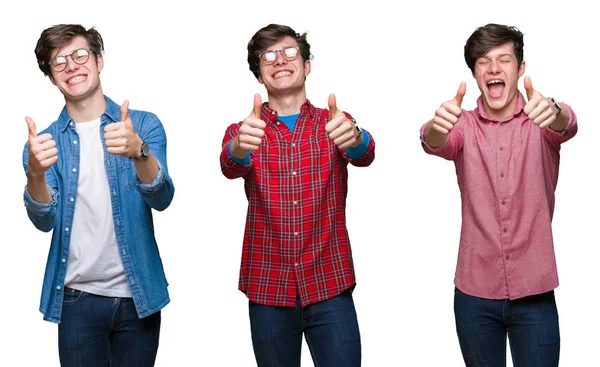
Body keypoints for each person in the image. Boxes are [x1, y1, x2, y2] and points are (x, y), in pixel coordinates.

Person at [420, 23, 577, 366]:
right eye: (483, 61)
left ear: (520, 69)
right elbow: (434, 141)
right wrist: (435, 127)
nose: (493, 68)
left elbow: (567, 123)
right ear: (475, 73)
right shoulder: (461, 125)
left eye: (504, 59)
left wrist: (554, 108)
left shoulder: (542, 120)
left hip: (534, 292)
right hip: (474, 294)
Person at [220, 23, 375, 366]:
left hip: (329, 281)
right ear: (259, 74)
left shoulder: (334, 122)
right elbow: (230, 164)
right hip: (267, 285)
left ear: (306, 65)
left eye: (290, 53)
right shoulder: (246, 130)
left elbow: (365, 154)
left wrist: (355, 134)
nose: (280, 61)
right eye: (268, 56)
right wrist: (239, 145)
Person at [22, 24, 174, 366]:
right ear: (51, 78)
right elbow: (43, 220)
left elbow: (162, 198)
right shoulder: (42, 146)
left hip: (138, 296)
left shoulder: (143, 126)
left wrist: (139, 153)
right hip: (77, 300)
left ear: (98, 60)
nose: (71, 65)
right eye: (59, 62)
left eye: (79, 54)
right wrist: (35, 172)